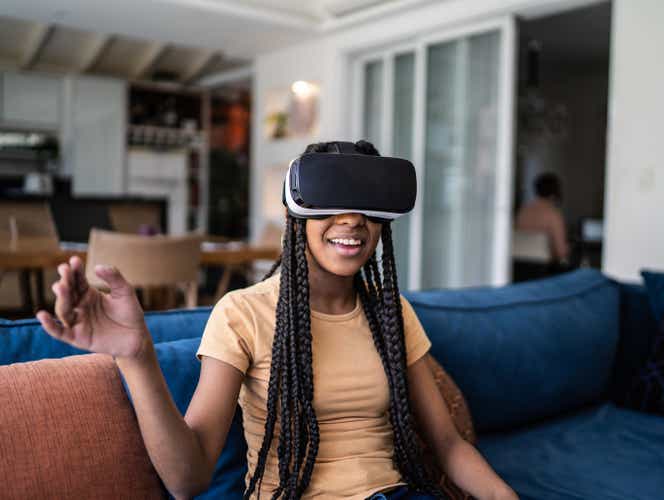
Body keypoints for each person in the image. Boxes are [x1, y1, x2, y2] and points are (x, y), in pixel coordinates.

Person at [36, 140, 518, 500]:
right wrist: (137, 356)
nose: (352, 219)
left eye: (368, 206)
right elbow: (188, 480)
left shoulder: (390, 311)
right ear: (296, 213)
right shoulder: (243, 313)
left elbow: (450, 446)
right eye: (331, 200)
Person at [515, 172, 570, 265]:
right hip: (542, 268)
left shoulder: (522, 211)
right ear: (555, 192)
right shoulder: (553, 214)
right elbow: (561, 252)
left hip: (517, 265)